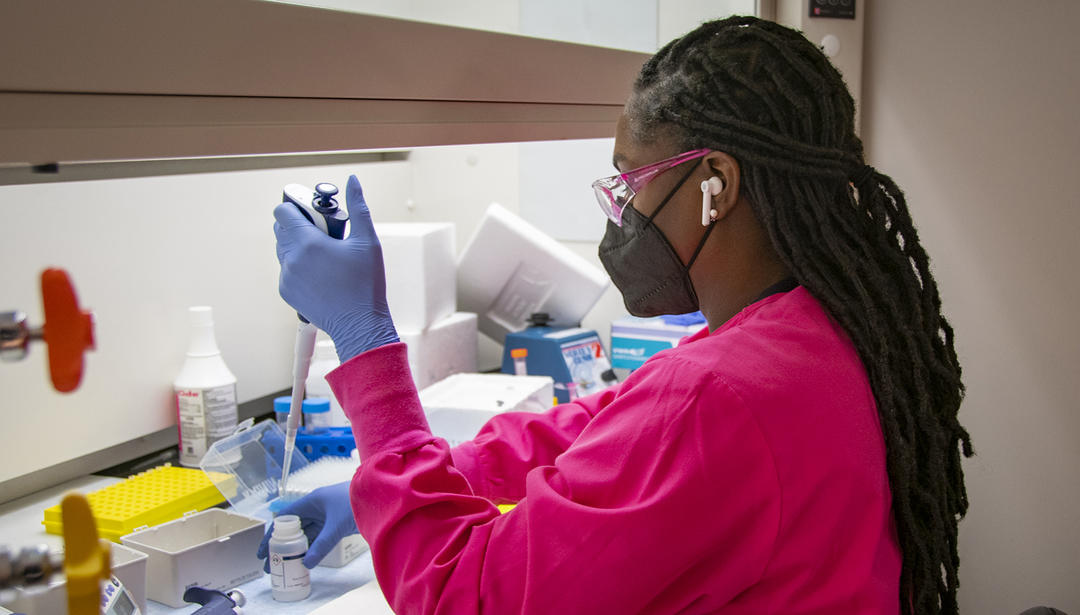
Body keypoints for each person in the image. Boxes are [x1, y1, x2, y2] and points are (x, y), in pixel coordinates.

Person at [265, 16, 972, 615]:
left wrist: (365, 340)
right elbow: (608, 425)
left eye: (629, 181)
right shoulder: (816, 324)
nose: (621, 211)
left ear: (714, 185)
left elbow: (459, 592)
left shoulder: (719, 395)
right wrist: (436, 474)